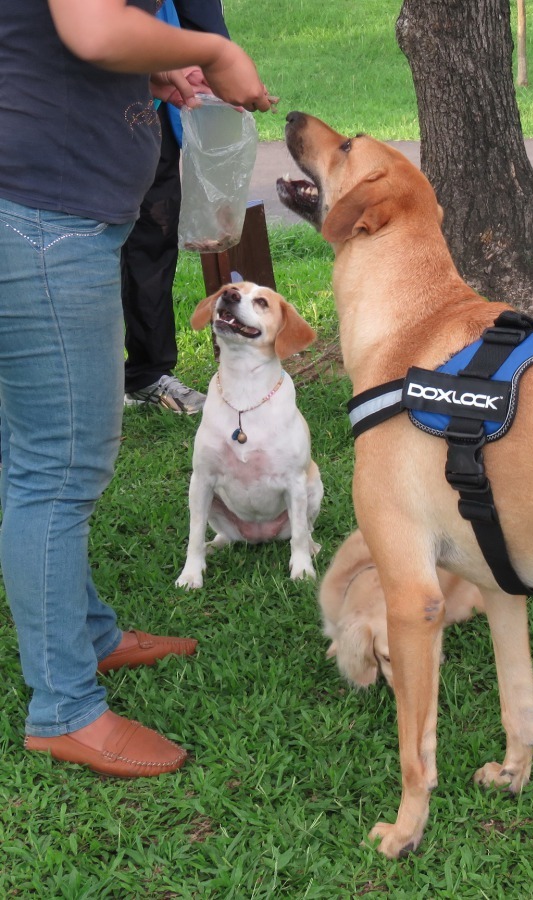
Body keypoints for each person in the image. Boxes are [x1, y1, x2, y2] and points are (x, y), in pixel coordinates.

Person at [0, 0, 273, 778]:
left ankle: (85, 633)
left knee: (28, 448)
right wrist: (214, 51)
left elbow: (56, 37)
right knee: (58, 465)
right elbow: (90, 25)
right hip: (40, 216)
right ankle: (64, 708)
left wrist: (148, 67)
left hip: (32, 206)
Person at [121, 0, 232, 415]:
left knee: (153, 233)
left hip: (148, 97)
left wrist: (214, 58)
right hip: (66, 106)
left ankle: (148, 375)